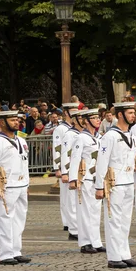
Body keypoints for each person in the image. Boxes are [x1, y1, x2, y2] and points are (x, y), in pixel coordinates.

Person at [95, 102, 136, 268]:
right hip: (114, 183)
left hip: (128, 181)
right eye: (130, 113)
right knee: (113, 220)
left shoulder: (131, 135)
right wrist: (99, 186)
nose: (133, 116)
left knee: (125, 220)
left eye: (134, 113)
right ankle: (114, 257)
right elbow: (102, 162)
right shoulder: (110, 136)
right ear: (120, 115)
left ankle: (125, 254)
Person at [0, 110, 31, 265]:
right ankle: (5, 254)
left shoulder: (21, 141)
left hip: (21, 185)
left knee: (19, 220)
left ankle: (16, 250)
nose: (16, 122)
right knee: (5, 219)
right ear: (3, 122)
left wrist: (27, 183)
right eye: (12, 120)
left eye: (16, 120)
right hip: (6, 186)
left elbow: (25, 164)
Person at [68, 109, 106, 254]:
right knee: (85, 211)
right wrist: (73, 179)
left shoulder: (98, 137)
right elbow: (75, 158)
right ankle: (85, 242)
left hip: (96, 179)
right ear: (86, 121)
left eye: (98, 118)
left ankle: (95, 241)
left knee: (95, 211)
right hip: (85, 178)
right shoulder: (81, 138)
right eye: (94, 118)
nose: (98, 120)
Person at [52, 102, 78, 232]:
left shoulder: (76, 127)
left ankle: (73, 220)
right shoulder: (61, 129)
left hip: (74, 164)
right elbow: (57, 148)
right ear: (67, 113)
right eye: (73, 111)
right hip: (64, 165)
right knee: (66, 196)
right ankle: (67, 221)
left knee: (73, 196)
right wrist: (58, 168)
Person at [60, 108, 84, 241]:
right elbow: (65, 153)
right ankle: (74, 229)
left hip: (83, 171)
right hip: (72, 170)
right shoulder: (69, 135)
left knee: (81, 201)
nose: (82, 121)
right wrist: (65, 172)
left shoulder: (85, 135)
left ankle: (81, 227)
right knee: (72, 201)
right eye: (80, 118)